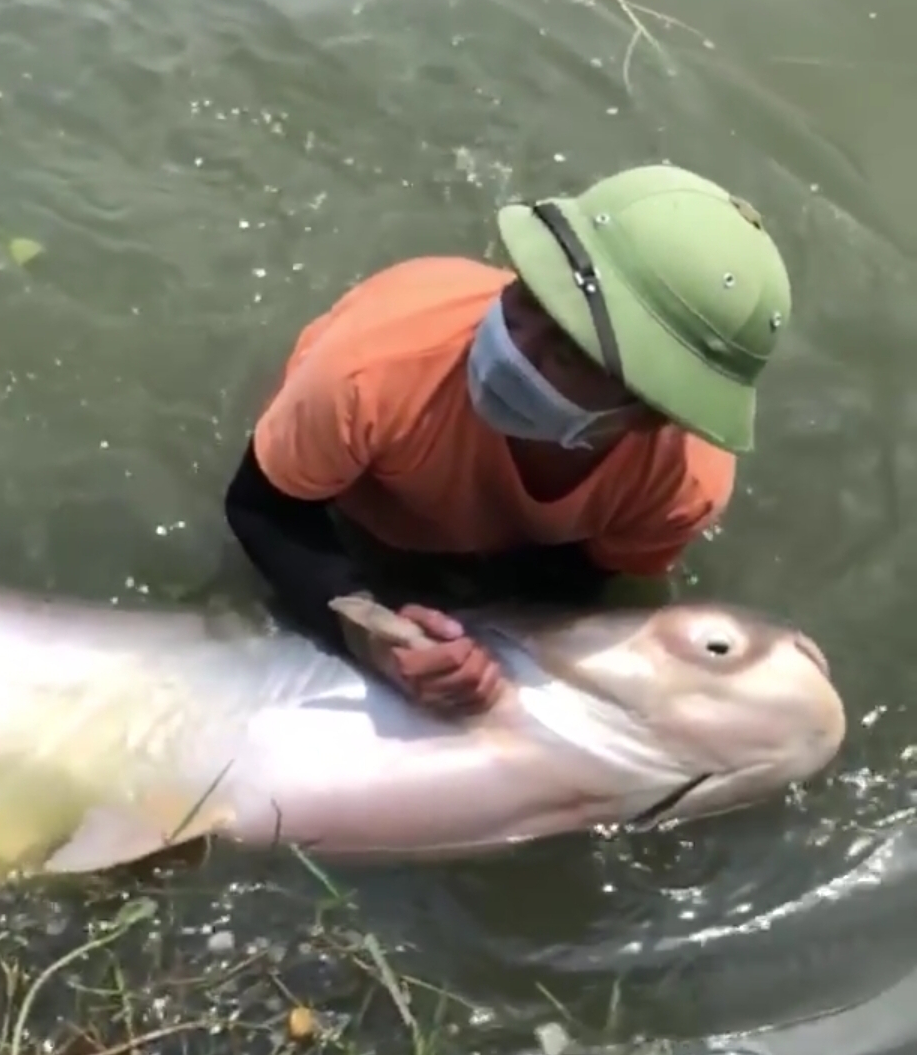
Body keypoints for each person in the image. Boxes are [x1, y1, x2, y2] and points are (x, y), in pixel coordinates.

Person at [224, 162, 791, 715]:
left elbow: (585, 582)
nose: (514, 346)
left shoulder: (678, 485)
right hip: (342, 505)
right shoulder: (371, 368)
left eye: (569, 351)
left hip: (510, 544)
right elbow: (264, 509)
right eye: (530, 296)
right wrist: (367, 628)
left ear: (651, 414)